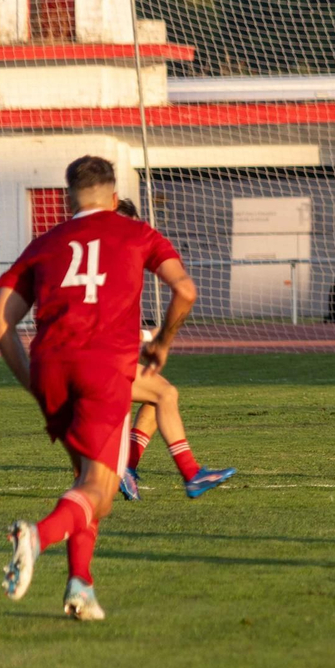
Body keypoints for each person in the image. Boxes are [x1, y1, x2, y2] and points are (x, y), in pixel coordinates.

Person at [0, 156, 196, 621]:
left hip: (50, 367)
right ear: (112, 191)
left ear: (68, 197)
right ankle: (37, 536)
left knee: (87, 483)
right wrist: (162, 342)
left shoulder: (44, 242)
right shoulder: (137, 232)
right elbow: (185, 290)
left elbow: (0, 322)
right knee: (100, 491)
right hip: (103, 367)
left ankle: (81, 587)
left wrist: (33, 384)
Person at [112, 199, 236, 503]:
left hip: (91, 357)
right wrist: (155, 339)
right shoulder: (113, 265)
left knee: (159, 397)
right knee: (165, 395)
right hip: (95, 360)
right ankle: (190, 474)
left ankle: (126, 467)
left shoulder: (119, 260)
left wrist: (143, 336)